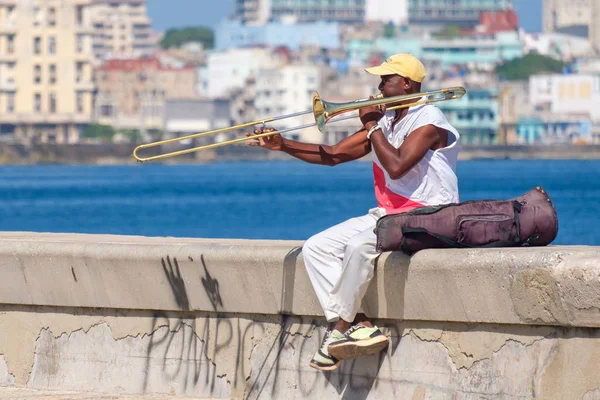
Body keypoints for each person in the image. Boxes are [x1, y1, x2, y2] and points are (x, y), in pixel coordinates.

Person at [245, 53, 461, 371]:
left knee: (359, 245)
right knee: (317, 247)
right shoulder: (386, 123)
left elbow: (398, 166)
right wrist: (283, 145)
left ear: (406, 83)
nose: (378, 85)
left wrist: (371, 124)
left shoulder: (429, 121)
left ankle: (339, 331)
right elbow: (333, 154)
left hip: (429, 213)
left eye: (385, 80)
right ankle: (360, 324)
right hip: (390, 213)